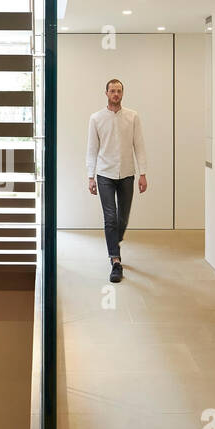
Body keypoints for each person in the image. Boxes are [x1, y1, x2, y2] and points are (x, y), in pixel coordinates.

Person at [85, 78, 148, 282]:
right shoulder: (96, 118)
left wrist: (143, 173)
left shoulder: (133, 117)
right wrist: (90, 176)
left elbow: (139, 145)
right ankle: (115, 260)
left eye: (119, 91)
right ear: (106, 93)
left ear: (122, 93)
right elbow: (92, 149)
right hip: (104, 174)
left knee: (123, 218)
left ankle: (114, 240)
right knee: (110, 218)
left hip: (127, 173)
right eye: (112, 91)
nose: (115, 94)